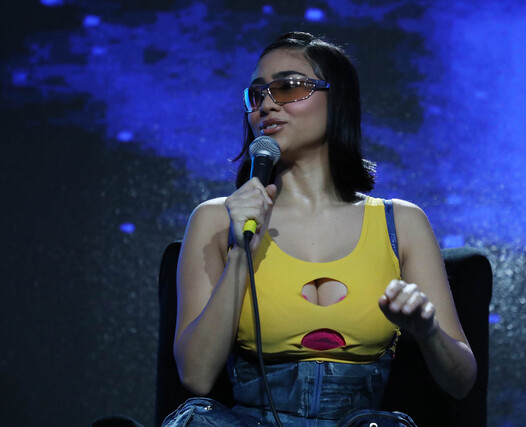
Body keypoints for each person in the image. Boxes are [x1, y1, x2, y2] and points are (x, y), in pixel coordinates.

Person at [163, 31, 477, 426]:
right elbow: (196, 376)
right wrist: (242, 251)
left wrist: (427, 331)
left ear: (337, 100)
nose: (267, 105)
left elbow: (462, 382)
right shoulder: (216, 219)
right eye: (257, 95)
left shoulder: (401, 222)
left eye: (288, 87)